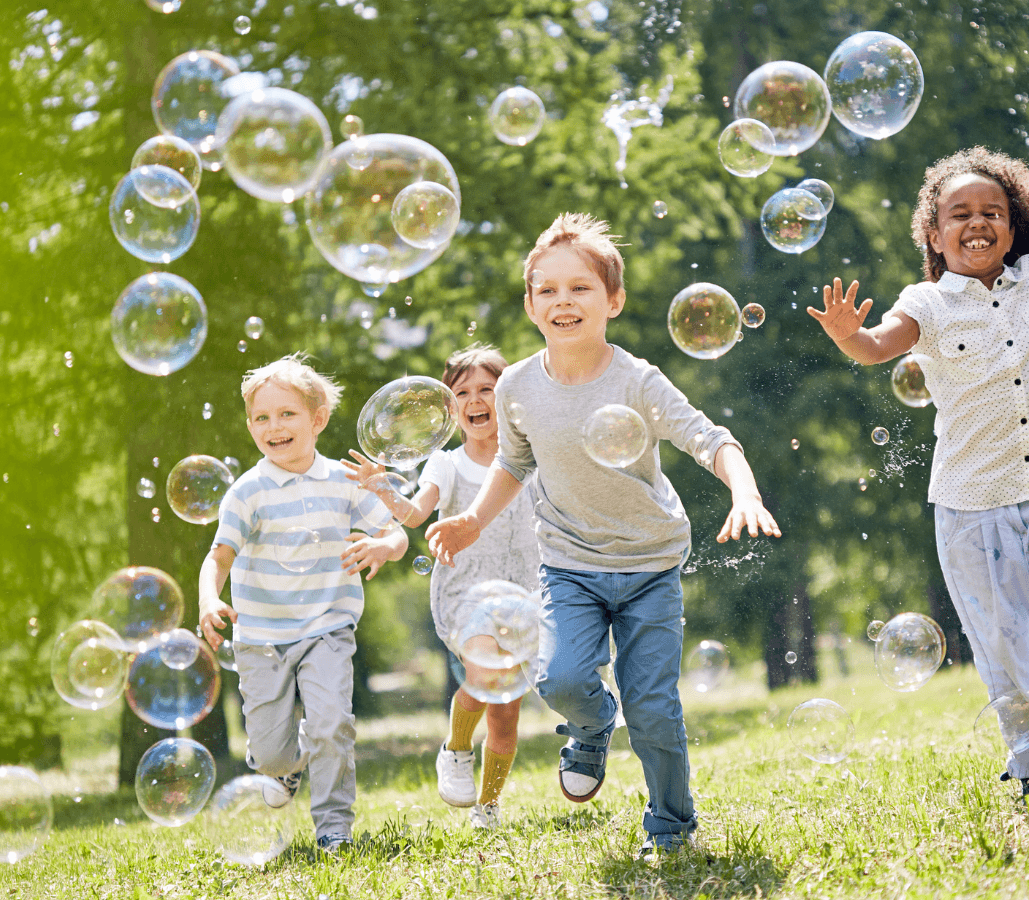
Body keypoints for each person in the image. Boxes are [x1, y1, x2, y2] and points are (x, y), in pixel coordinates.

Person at [807, 67, 1029, 800]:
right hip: (971, 505)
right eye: (959, 212)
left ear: (1012, 223)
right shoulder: (927, 304)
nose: (977, 221)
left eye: (992, 210)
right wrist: (849, 336)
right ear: (934, 235)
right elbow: (879, 345)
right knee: (1004, 653)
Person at [426, 213, 781, 857]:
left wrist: (745, 491)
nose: (565, 301)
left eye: (581, 288)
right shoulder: (517, 386)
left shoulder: (637, 380)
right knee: (558, 679)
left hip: (649, 563)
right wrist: (473, 519)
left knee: (653, 710)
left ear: (612, 299)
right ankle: (589, 728)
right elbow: (513, 462)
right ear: (531, 304)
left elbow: (710, 439)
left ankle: (672, 828)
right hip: (568, 564)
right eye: (548, 289)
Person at [198, 353, 410, 854]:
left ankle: (333, 827)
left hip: (327, 628)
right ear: (250, 425)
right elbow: (218, 555)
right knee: (271, 754)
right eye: (261, 417)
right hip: (261, 638)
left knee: (332, 723)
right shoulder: (247, 492)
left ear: (317, 420)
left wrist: (385, 545)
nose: (273, 427)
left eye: (286, 414)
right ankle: (285, 769)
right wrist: (209, 597)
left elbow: (395, 531)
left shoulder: (344, 480)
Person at [343, 344, 540, 831]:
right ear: (451, 409)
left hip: (526, 594)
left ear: (507, 397)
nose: (476, 400)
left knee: (506, 716)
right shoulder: (445, 465)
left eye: (487, 390)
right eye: (463, 393)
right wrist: (384, 489)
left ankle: (488, 806)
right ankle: (455, 749)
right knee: (482, 674)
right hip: (466, 591)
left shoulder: (534, 456)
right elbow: (414, 514)